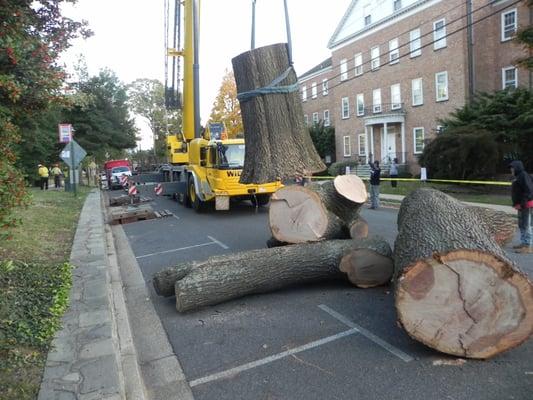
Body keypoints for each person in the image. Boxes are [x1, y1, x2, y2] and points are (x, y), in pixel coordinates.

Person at [510, 160, 533, 253]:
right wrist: (516, 203)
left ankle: (528, 246)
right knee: (521, 224)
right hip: (520, 205)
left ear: (517, 167)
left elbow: (529, 191)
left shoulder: (523, 175)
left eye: (512, 167)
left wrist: (522, 203)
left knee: (526, 225)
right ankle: (523, 242)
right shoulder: (517, 176)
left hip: (526, 205)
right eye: (511, 168)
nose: (511, 170)